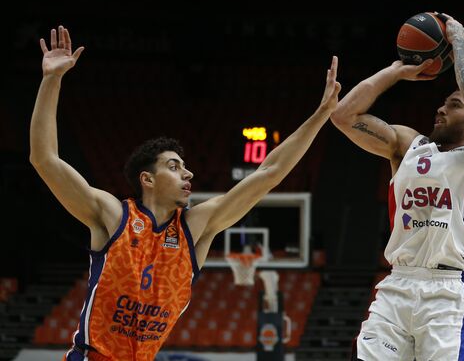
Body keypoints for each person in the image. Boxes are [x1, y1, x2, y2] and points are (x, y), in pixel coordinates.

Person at [29, 25, 341, 361]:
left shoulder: (194, 228)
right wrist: (52, 79)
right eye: (174, 166)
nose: (188, 173)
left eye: (185, 166)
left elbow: (269, 173)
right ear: (147, 179)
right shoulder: (113, 215)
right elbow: (44, 159)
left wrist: (320, 115)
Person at [330, 13, 464, 360]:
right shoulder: (408, 146)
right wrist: (397, 71)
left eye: (453, 105)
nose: (441, 108)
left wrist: (458, 42)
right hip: (396, 285)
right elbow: (343, 116)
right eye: (443, 102)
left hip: (445, 295)